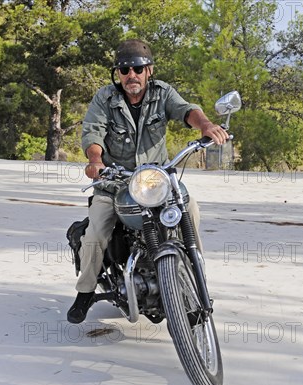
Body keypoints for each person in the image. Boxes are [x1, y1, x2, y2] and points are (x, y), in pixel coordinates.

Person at [67, 39, 229, 324]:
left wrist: (206, 126)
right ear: (118, 74)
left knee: (189, 210)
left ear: (149, 70)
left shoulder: (162, 93)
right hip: (115, 183)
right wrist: (95, 161)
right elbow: (92, 132)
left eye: (138, 69)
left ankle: (194, 283)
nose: (132, 75)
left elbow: (186, 110)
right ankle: (85, 291)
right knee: (95, 234)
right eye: (125, 70)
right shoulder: (104, 98)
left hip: (156, 181)